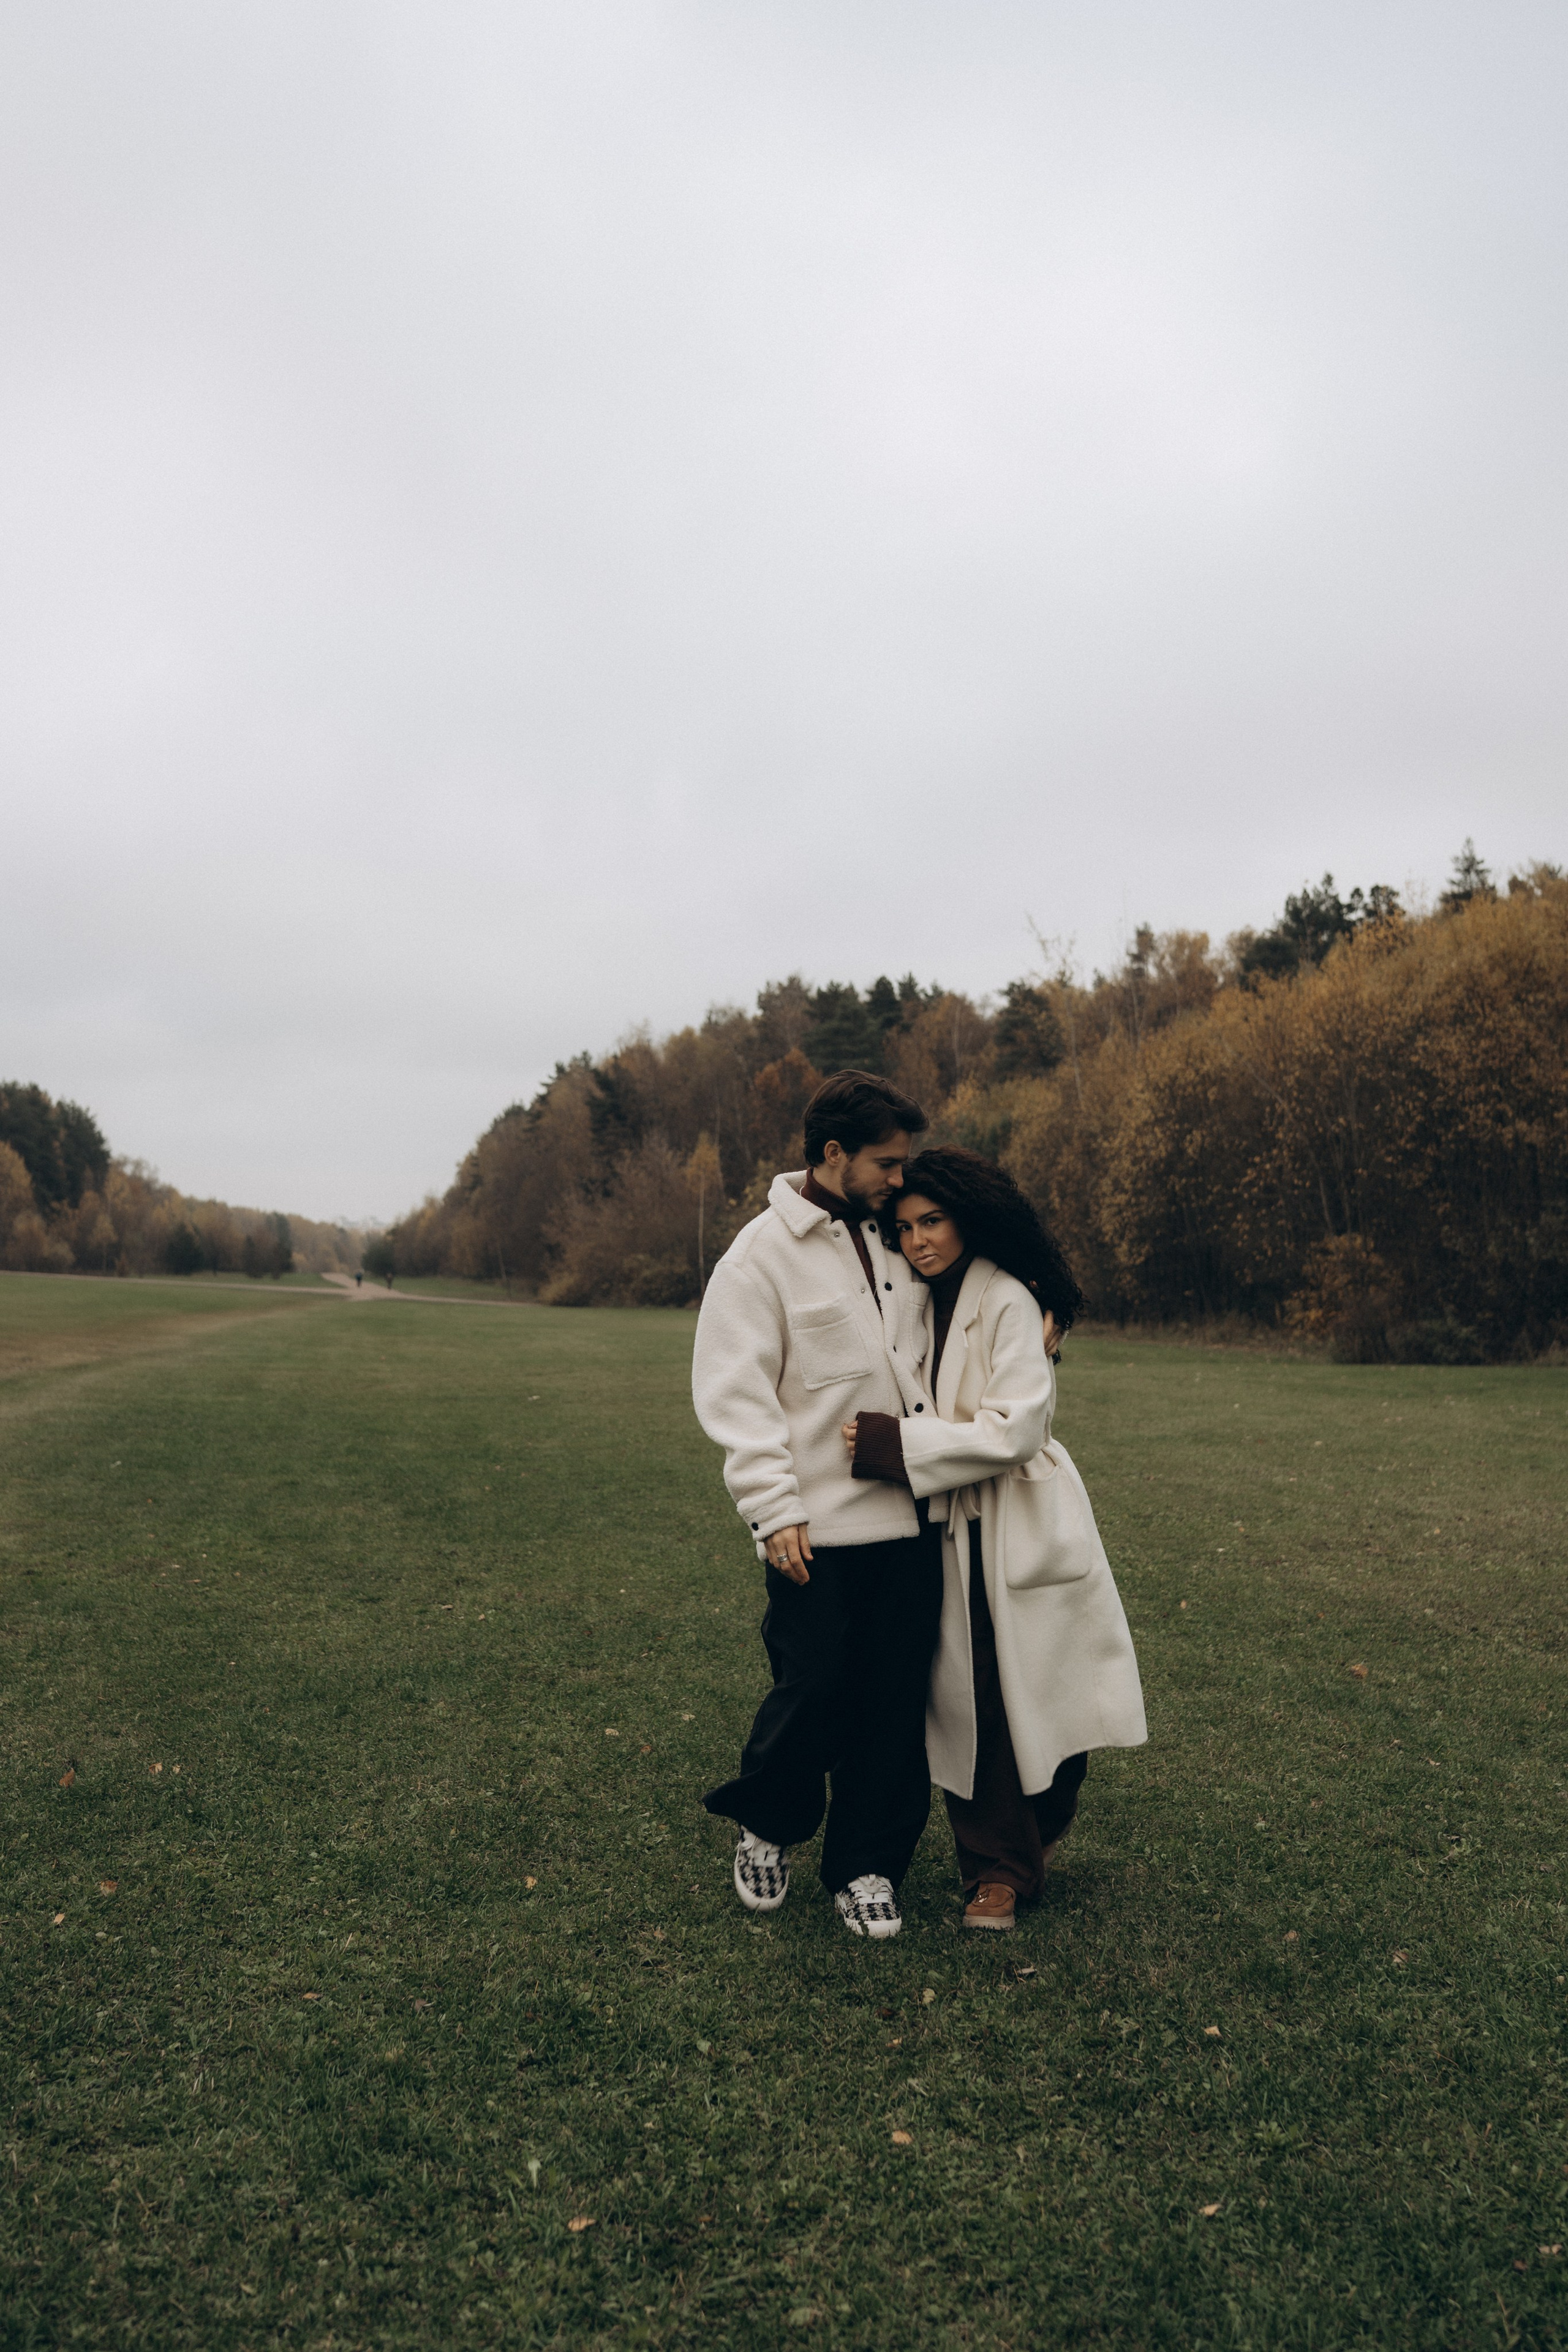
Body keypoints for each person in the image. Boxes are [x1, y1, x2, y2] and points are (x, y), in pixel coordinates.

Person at [845, 1147, 1146, 1932]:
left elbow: (1014, 1430)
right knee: (970, 1700)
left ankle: (1030, 1833)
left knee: (1050, 1700)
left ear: (969, 1218)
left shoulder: (1008, 1298)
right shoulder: (909, 1299)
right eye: (903, 1226)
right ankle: (998, 1871)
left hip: (1018, 1518)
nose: (918, 1241)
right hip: (942, 1531)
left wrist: (895, 1449)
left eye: (933, 1221)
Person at [692, 1069, 942, 1940]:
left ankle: (868, 1865)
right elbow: (736, 1394)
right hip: (814, 1530)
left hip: (914, 1521)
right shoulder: (759, 1256)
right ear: (833, 1154)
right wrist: (773, 1508)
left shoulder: (904, 1236)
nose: (899, 1178)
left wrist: (1054, 1310)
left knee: (893, 1702)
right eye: (885, 1161)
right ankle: (769, 1822)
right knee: (815, 1690)